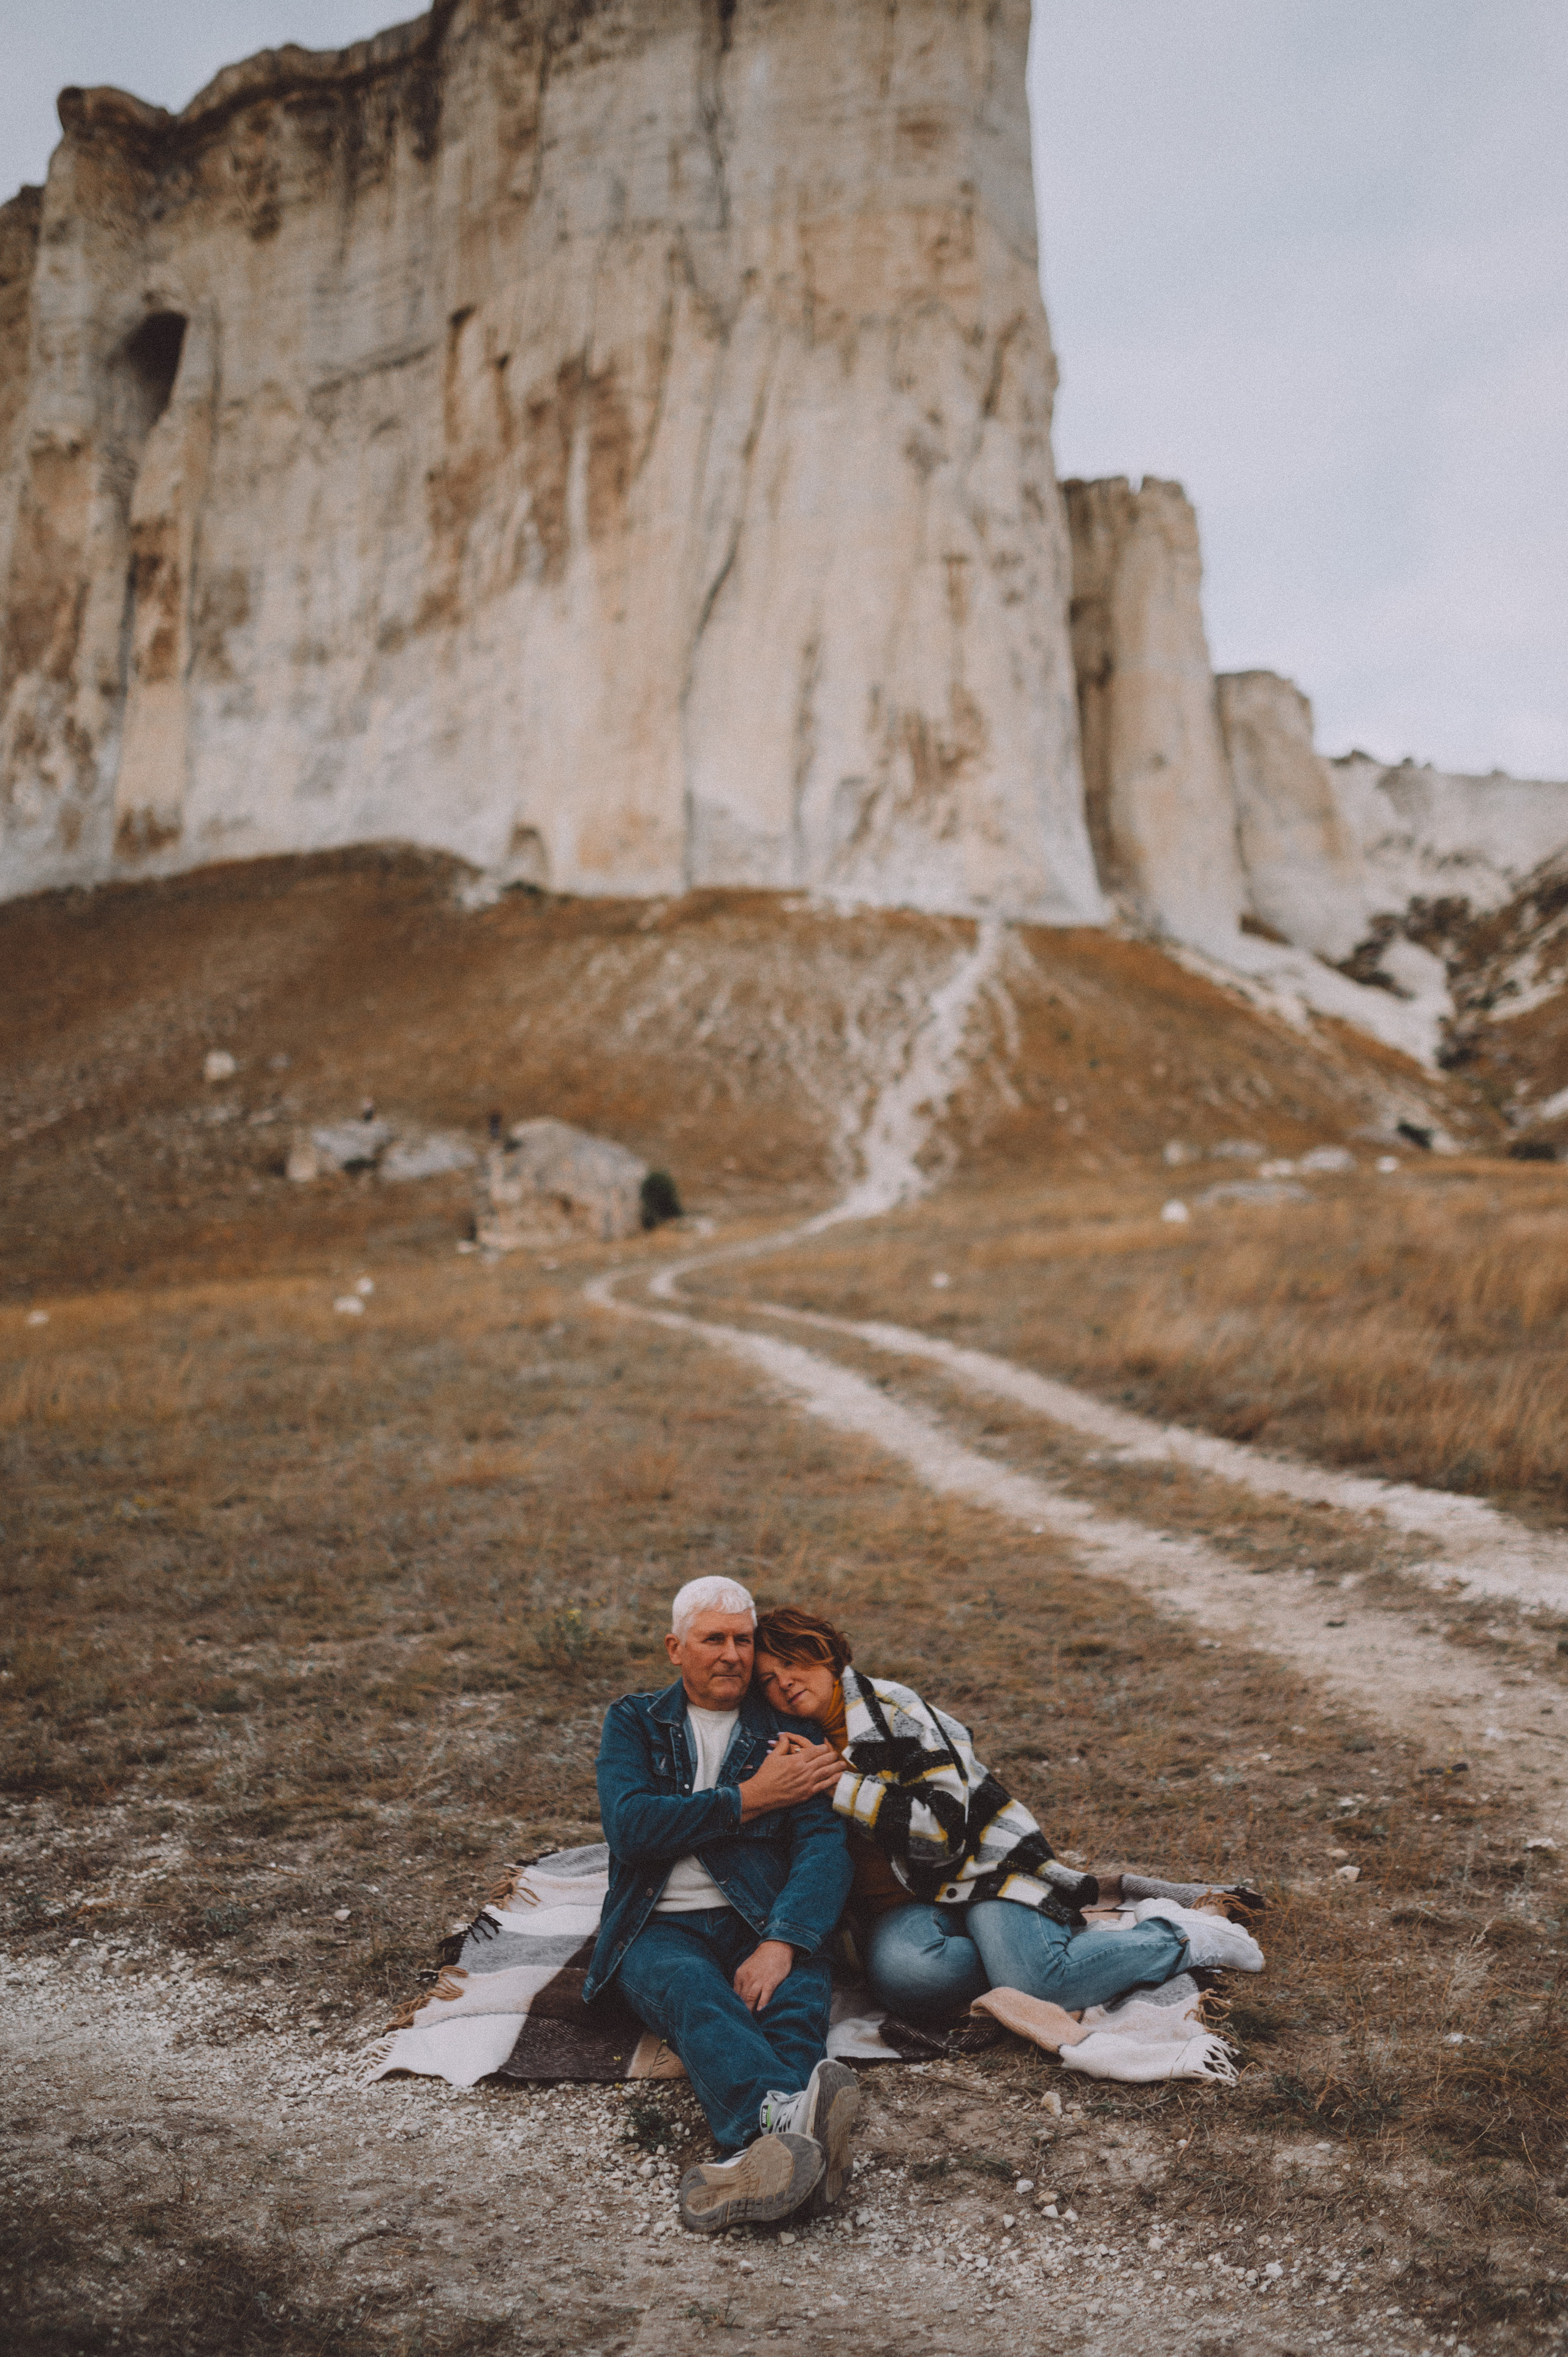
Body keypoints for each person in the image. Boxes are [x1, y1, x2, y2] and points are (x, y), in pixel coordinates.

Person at [752, 1606, 1262, 2028]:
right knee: (904, 1977)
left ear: (826, 1653)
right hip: (909, 1905)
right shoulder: (791, 1743)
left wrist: (839, 1784)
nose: (785, 1682)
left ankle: (1179, 1936)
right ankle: (1036, 1950)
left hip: (985, 1871)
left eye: (793, 1662)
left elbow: (943, 1832)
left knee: (1040, 1985)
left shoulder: (893, 1711)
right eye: (769, 1679)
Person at [586, 1576, 859, 2234]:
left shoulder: (790, 1733)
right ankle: (793, 2135)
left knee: (793, 2008)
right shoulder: (634, 1722)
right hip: (658, 1927)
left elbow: (826, 1851)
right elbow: (631, 1827)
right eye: (713, 1639)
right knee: (695, 1996)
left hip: (760, 1922)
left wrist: (782, 1943)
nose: (732, 1654)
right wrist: (750, 1797)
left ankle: (763, 2161)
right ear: (676, 1648)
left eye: (743, 1639)